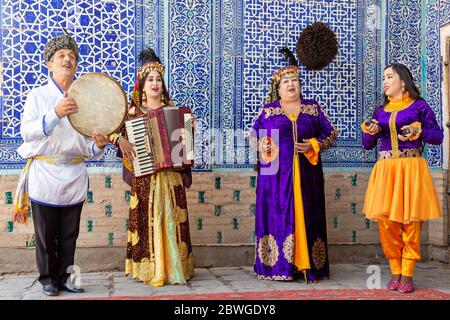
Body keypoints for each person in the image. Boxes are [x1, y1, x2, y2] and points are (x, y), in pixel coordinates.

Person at [13, 32, 109, 296]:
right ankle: (47, 279)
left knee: (69, 234)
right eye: (60, 56)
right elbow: (27, 132)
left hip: (75, 172)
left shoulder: (86, 98)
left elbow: (87, 147)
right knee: (46, 234)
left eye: (71, 56)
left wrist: (98, 145)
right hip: (45, 172)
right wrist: (54, 114)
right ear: (50, 64)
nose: (67, 60)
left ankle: (66, 277)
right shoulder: (37, 96)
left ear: (77, 64)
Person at [250, 48, 338, 282]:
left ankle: (308, 265)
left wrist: (314, 145)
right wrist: (263, 146)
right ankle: (279, 267)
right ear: (277, 88)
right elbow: (253, 135)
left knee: (307, 215)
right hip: (276, 178)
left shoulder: (313, 108)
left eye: (294, 81)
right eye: (286, 82)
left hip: (308, 177)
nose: (291, 85)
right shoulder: (269, 111)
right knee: (279, 216)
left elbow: (331, 133)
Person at [109, 48, 194, 287]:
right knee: (148, 218)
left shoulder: (176, 112)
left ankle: (175, 266)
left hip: (171, 177)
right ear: (142, 86)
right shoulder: (132, 113)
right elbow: (109, 130)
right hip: (145, 177)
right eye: (150, 79)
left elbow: (185, 150)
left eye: (158, 79)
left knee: (171, 219)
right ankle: (149, 268)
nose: (155, 83)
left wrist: (188, 130)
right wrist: (119, 139)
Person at [361, 63, 443, 293]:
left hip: (411, 170)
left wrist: (419, 132)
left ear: (403, 81)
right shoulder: (380, 111)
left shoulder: (419, 106)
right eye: (384, 78)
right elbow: (367, 146)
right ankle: (394, 268)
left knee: (411, 224)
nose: (385, 81)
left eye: (389, 77)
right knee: (387, 225)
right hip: (386, 171)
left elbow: (438, 136)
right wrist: (370, 132)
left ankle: (407, 274)